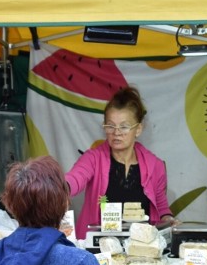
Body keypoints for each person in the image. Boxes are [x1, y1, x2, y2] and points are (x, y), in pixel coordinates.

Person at [65, 86, 176, 239]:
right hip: (99, 249)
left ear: (138, 129)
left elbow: (162, 208)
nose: (116, 132)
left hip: (142, 248)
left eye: (124, 126)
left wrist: (169, 220)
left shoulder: (155, 165)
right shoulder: (93, 158)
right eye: (110, 125)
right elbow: (75, 178)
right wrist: (60, 190)